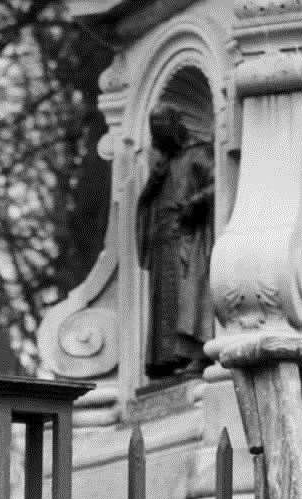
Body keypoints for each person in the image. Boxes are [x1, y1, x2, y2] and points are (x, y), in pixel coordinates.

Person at [135, 103, 215, 378]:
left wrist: (195, 202)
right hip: (162, 239)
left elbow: (217, 184)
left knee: (186, 298)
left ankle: (193, 354)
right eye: (154, 129)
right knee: (163, 302)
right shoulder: (164, 163)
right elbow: (148, 201)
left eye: (162, 127)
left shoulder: (199, 153)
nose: (158, 135)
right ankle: (164, 360)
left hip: (186, 236)